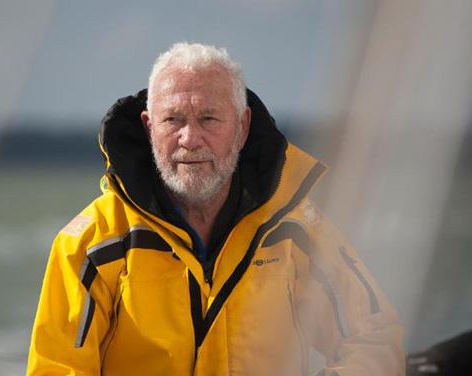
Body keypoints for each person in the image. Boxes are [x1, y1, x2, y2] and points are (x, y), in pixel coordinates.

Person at [26, 42, 404, 375]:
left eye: (208, 118)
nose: (189, 139)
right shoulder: (92, 245)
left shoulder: (294, 229)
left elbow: (375, 337)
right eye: (172, 119)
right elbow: (56, 370)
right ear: (148, 128)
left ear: (242, 127)